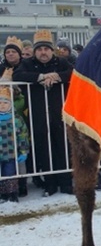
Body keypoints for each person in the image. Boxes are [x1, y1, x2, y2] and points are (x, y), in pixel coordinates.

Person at [13, 29, 74, 197]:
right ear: (35, 52)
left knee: (61, 145)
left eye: (46, 49)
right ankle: (50, 184)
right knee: (43, 148)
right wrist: (40, 77)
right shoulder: (28, 63)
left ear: (52, 50)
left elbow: (74, 73)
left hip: (58, 113)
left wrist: (57, 76)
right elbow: (18, 75)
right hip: (38, 113)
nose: (43, 52)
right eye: (39, 49)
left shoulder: (61, 62)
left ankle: (66, 183)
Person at [0, 86, 29, 203]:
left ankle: (11, 193)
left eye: (5, 103)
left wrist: (23, 151)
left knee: (10, 173)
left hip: (11, 153)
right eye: (0, 103)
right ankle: (2, 194)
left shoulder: (16, 119)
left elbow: (23, 136)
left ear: (11, 104)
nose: (2, 105)